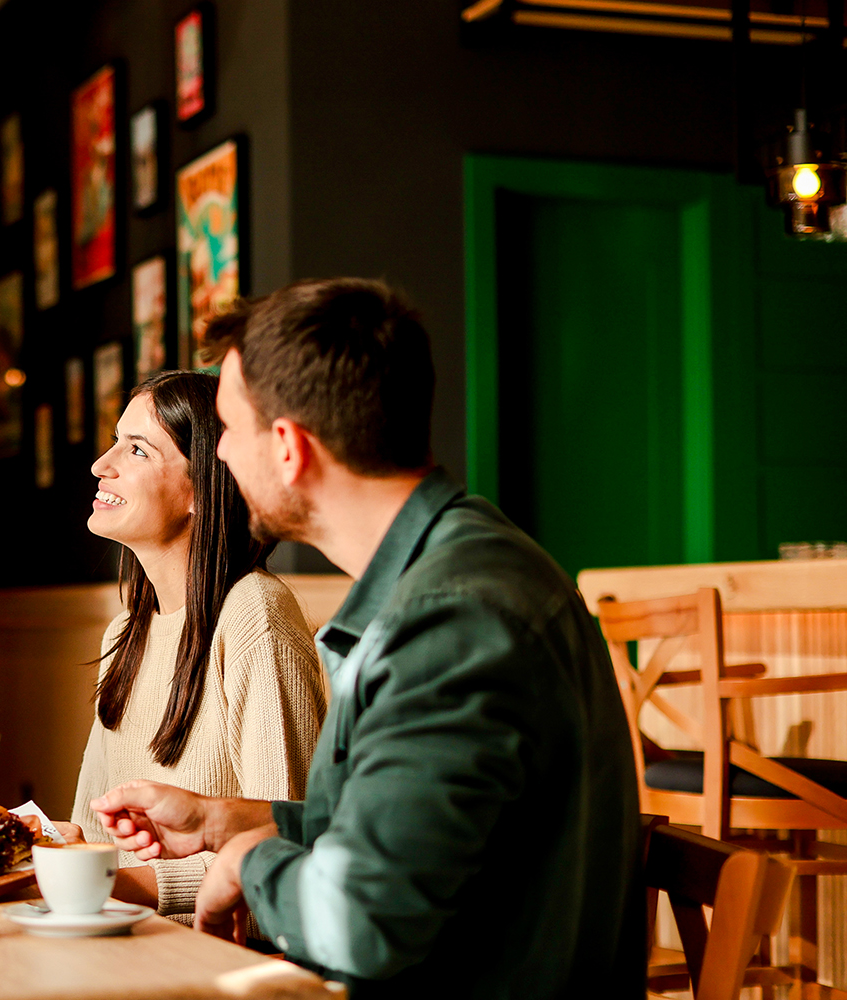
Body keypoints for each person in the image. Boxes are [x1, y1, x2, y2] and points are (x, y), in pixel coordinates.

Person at [91, 280, 640, 995]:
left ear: (288, 448)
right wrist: (230, 821)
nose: (219, 455)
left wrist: (249, 864)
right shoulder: (459, 562)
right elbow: (410, 833)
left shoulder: (451, 620)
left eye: (229, 429)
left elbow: (366, 920)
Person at [63, 370, 327, 924]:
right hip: (124, 948)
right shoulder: (125, 632)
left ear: (201, 492)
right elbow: (90, 831)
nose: (101, 465)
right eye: (115, 441)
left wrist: (117, 883)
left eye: (137, 449)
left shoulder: (255, 614)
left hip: (214, 957)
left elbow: (287, 852)